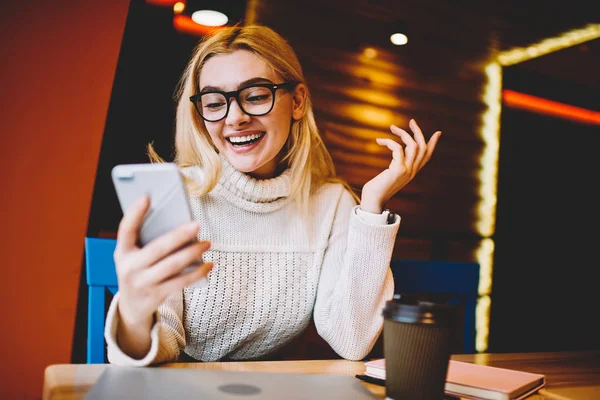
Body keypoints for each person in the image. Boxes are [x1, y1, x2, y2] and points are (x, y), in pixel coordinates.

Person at [105, 24, 441, 366]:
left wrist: (371, 207)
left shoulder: (331, 203)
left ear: (297, 101)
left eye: (255, 96)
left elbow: (351, 340)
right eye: (215, 102)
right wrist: (133, 312)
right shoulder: (177, 195)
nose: (234, 118)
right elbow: (161, 344)